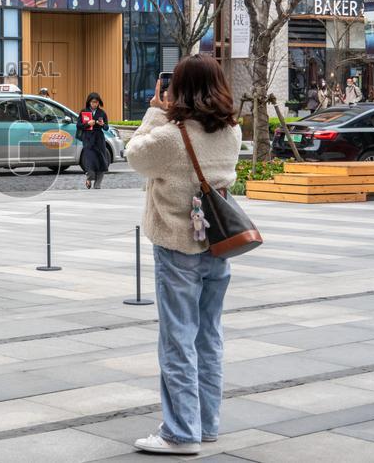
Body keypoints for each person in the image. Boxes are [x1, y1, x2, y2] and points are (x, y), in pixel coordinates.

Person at [125, 54, 241, 455]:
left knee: (177, 339)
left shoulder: (171, 136)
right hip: (218, 244)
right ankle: (206, 423)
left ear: (179, 89)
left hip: (177, 246)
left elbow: (134, 156)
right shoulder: (232, 132)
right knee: (209, 336)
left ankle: (180, 433)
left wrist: (156, 113)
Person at [77, 92, 109, 189]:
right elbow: (78, 125)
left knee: (101, 160)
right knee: (90, 160)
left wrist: (102, 124)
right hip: (88, 138)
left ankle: (98, 183)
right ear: (89, 102)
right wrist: (88, 124)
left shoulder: (102, 113)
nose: (94, 104)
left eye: (96, 102)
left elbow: (106, 128)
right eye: (92, 102)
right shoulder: (84, 112)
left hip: (99, 138)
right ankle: (89, 178)